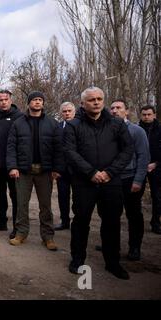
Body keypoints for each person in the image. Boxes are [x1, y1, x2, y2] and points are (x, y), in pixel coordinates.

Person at [64, 87, 133, 280]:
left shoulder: (117, 124)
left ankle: (113, 263)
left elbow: (127, 150)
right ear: (83, 103)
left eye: (100, 99)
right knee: (80, 221)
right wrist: (91, 172)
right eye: (92, 99)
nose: (96, 102)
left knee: (111, 222)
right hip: (84, 182)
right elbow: (70, 152)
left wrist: (110, 172)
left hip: (111, 182)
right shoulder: (73, 125)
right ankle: (77, 260)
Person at [7, 91, 63, 251]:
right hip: (23, 171)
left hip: (45, 171)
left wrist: (57, 169)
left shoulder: (52, 123)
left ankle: (48, 237)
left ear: (43, 103)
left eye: (40, 100)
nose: (37, 102)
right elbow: (11, 147)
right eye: (34, 100)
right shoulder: (18, 123)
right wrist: (13, 167)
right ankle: (21, 233)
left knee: (45, 205)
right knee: (22, 204)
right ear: (29, 103)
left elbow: (58, 149)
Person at [109, 99, 149, 260]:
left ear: (127, 111)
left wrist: (138, 180)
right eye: (112, 108)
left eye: (119, 108)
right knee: (111, 215)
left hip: (130, 178)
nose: (114, 111)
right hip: (111, 179)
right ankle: (112, 245)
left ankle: (134, 247)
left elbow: (143, 157)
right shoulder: (107, 130)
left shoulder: (137, 131)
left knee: (133, 215)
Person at [0, 90, 22, 237]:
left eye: (6, 99)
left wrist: (17, 164)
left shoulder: (19, 117)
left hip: (13, 165)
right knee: (0, 195)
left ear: (10, 100)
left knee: (15, 196)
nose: (3, 102)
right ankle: (1, 222)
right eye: (0, 100)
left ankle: (17, 226)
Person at [139, 105, 161, 234]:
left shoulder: (159, 129)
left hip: (156, 167)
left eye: (149, 114)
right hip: (140, 167)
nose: (146, 117)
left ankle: (156, 222)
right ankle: (136, 222)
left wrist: (156, 164)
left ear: (154, 115)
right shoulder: (137, 128)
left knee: (157, 196)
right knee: (136, 195)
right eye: (144, 114)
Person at [54, 102, 76, 231]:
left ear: (74, 112)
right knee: (63, 197)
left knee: (78, 198)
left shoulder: (80, 125)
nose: (67, 113)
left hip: (77, 169)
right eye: (64, 111)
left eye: (69, 111)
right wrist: (55, 168)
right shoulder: (57, 127)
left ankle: (77, 222)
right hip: (61, 170)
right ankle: (64, 221)